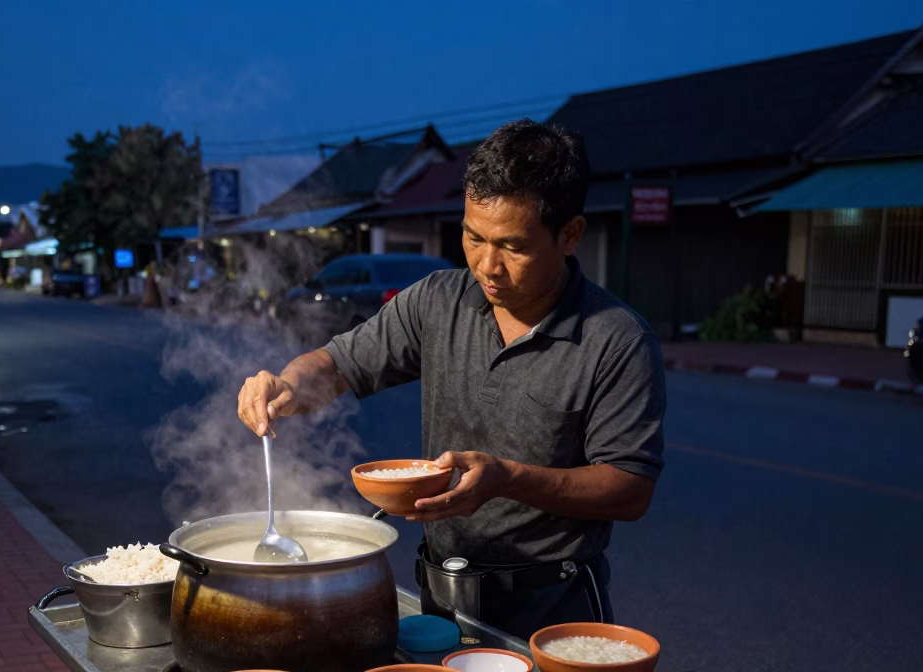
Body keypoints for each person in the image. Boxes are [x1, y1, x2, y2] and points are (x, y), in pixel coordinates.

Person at [237, 119, 665, 640]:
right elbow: (337, 365)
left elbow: (630, 490)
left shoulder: (617, 339)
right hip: (443, 594)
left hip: (554, 606)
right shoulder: (437, 300)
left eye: (513, 246)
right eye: (473, 237)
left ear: (570, 235)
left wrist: (508, 480)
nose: (488, 266)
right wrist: (284, 383)